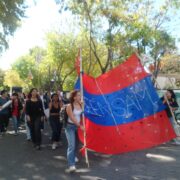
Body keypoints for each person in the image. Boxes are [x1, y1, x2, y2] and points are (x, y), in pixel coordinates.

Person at [65, 90, 84, 172]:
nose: (80, 97)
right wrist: (80, 125)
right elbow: (72, 118)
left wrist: (84, 106)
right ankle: (71, 165)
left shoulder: (80, 104)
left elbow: (83, 115)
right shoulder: (69, 106)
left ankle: (73, 156)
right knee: (71, 146)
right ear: (74, 97)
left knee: (77, 144)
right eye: (78, 95)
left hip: (78, 127)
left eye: (80, 95)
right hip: (70, 127)